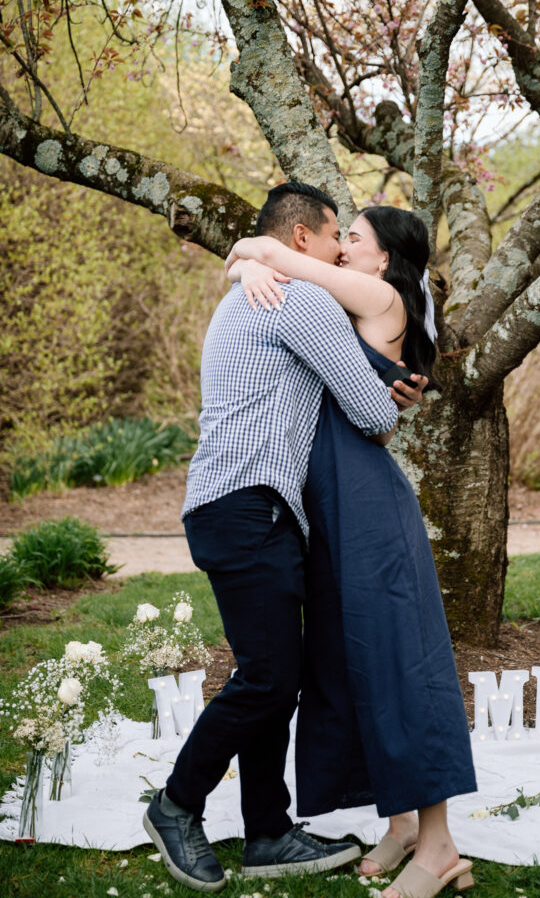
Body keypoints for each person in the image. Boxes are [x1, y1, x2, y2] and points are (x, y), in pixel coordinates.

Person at [143, 183, 421, 893]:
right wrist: (385, 389)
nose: (340, 252)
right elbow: (368, 413)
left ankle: (268, 831)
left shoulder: (257, 293)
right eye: (336, 238)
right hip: (246, 509)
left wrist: (247, 260)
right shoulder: (301, 300)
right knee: (268, 677)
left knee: (276, 674)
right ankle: (176, 806)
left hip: (248, 510)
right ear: (303, 240)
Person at [226, 205, 477, 898]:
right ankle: (399, 826)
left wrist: (251, 250)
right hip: (330, 507)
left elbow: (289, 261)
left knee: (398, 662)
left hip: (366, 508)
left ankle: (439, 846)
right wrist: (249, 263)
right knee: (352, 662)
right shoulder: (346, 300)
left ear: (384, 259)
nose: (343, 251)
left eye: (354, 240)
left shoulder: (383, 294)